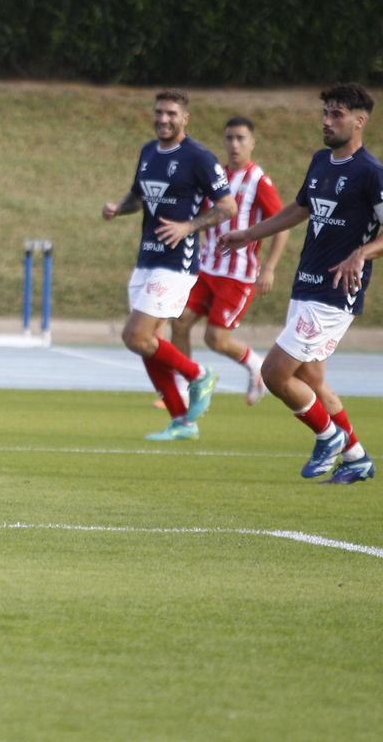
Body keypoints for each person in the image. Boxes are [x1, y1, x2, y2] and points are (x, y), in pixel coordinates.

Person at [218, 83, 380, 484]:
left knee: (274, 373)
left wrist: (362, 253)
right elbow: (299, 209)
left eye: (336, 114)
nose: (326, 121)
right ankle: (356, 458)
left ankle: (328, 436)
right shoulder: (321, 161)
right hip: (306, 284)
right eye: (325, 113)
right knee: (310, 380)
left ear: (359, 121)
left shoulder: (370, 173)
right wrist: (249, 234)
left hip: (335, 292)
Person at [102, 89, 236, 442]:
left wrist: (188, 226)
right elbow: (138, 196)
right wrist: (119, 208)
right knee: (146, 342)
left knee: (135, 335)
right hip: (147, 258)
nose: (163, 119)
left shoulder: (199, 158)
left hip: (177, 262)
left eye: (171, 114)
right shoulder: (148, 151)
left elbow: (228, 207)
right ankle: (182, 421)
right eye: (159, 112)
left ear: (185, 118)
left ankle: (198, 375)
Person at [169, 116, 289, 405]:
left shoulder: (258, 181)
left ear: (252, 143)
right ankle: (185, 387)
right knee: (179, 321)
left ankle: (256, 367)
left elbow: (282, 226)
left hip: (238, 275)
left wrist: (269, 268)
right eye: (229, 138)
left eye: (240, 138)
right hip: (206, 269)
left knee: (216, 338)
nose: (234, 144)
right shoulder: (217, 176)